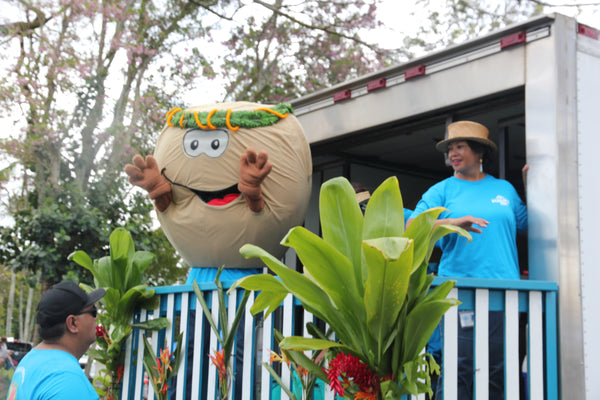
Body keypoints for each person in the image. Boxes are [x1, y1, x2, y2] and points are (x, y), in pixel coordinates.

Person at [406, 121, 528, 399]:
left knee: (500, 370)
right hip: (459, 295)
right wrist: (452, 222)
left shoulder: (505, 189)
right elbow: (411, 227)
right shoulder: (442, 190)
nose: (452, 153)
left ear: (479, 152)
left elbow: (526, 224)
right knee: (459, 368)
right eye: (450, 148)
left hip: (503, 295)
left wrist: (529, 185)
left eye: (460, 146)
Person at [7, 281, 105, 400]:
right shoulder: (67, 380)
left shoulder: (31, 360)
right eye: (93, 312)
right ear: (73, 323)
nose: (96, 318)